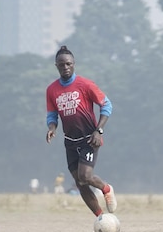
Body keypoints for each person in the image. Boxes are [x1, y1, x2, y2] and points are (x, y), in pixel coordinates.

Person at [46, 45, 117, 220]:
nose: (65, 67)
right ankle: (101, 219)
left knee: (85, 176)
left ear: (74, 64)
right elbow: (52, 114)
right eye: (61, 65)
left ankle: (106, 189)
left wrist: (98, 130)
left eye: (68, 64)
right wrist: (52, 128)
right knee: (80, 182)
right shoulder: (52, 90)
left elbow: (107, 105)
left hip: (89, 138)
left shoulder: (85, 84)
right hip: (70, 141)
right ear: (56, 65)